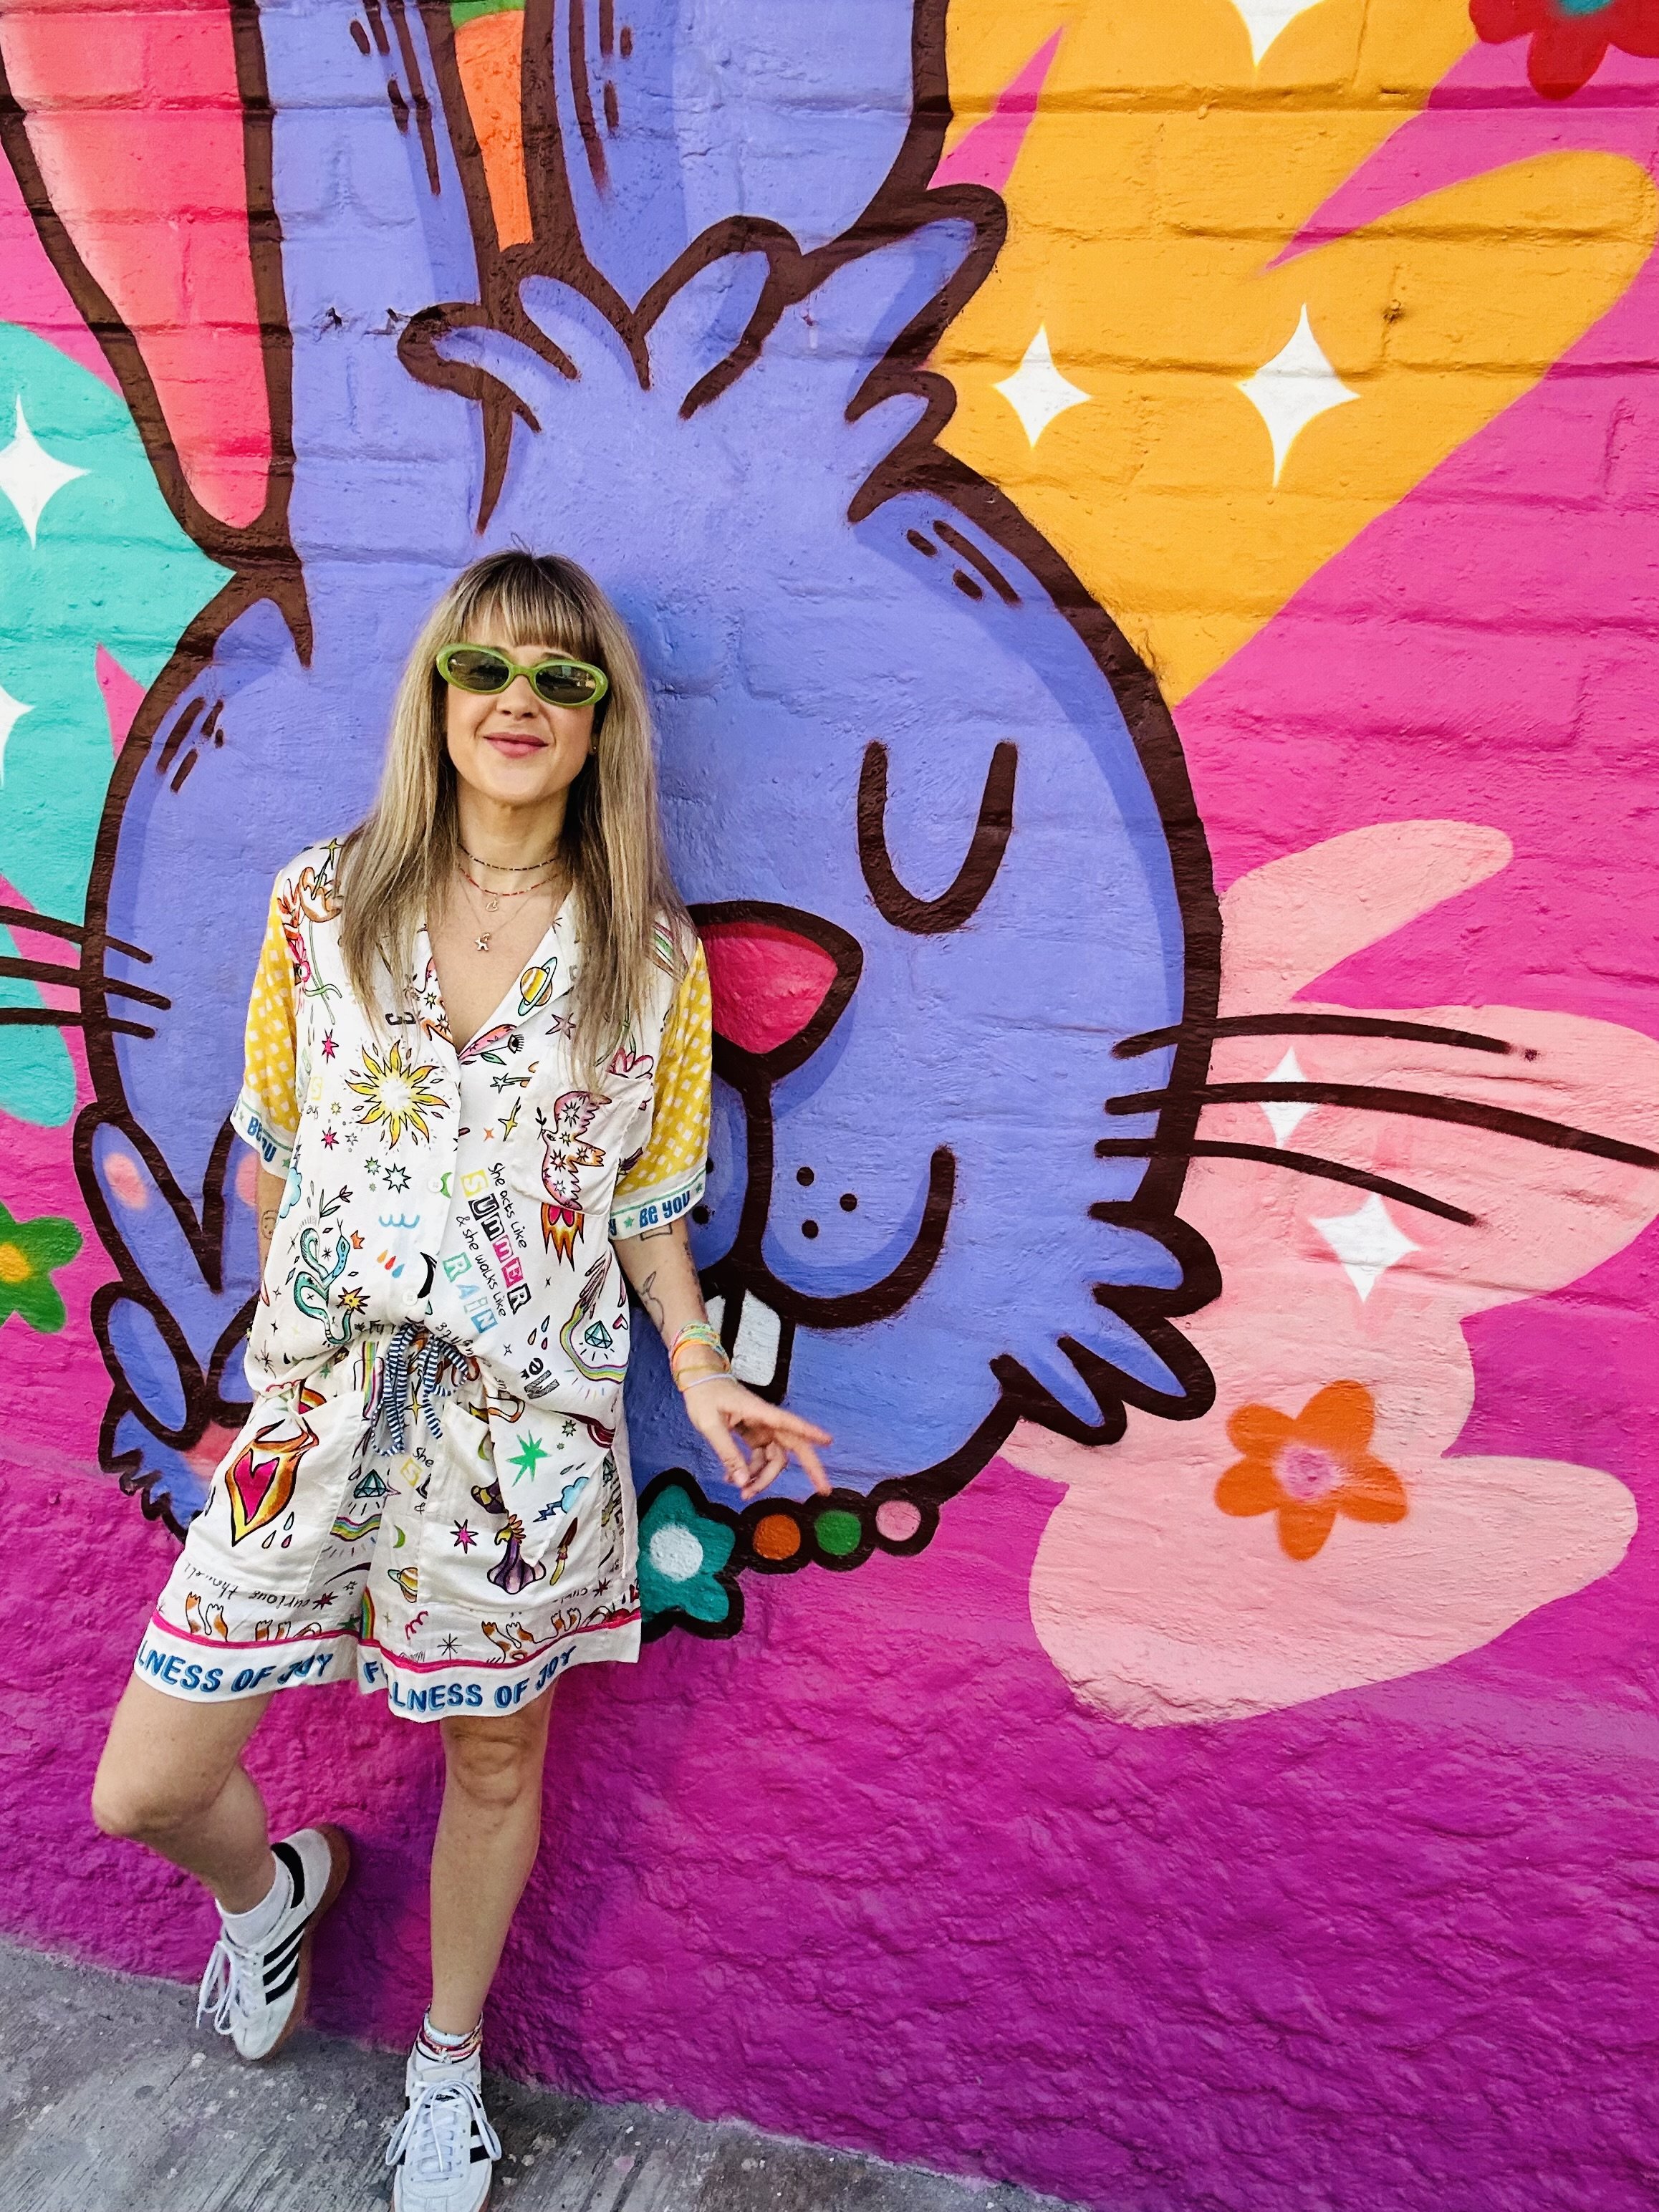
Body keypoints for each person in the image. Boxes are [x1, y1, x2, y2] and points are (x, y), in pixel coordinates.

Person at [90, 550, 831, 2212]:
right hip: (321, 1414)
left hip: (526, 1445)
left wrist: (699, 1371)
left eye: (563, 681)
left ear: (600, 727)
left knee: (496, 1759)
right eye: (487, 667)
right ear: (437, 691)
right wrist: (295, 1354)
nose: (520, 702)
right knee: (145, 1780)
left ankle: (446, 2061)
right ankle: (274, 1887)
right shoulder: (320, 901)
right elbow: (271, 1152)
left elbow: (648, 1199)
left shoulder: (651, 955)